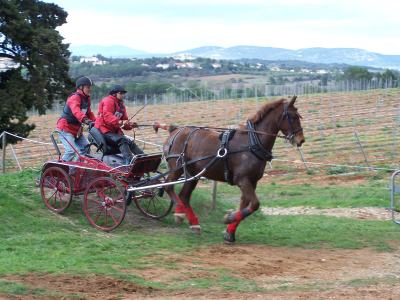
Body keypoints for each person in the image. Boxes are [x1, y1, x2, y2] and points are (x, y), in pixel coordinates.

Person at [94, 84, 144, 164]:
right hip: (104, 130)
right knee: (123, 140)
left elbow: (124, 121)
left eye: (123, 93)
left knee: (130, 143)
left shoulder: (121, 105)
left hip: (114, 131)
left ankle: (143, 159)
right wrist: (120, 122)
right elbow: (107, 116)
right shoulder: (108, 101)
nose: (123, 95)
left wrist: (130, 125)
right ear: (114, 93)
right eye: (121, 93)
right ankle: (129, 163)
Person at [56, 76, 96, 161]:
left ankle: (75, 171)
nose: (90, 89)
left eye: (90, 87)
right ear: (81, 87)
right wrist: (86, 120)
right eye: (88, 87)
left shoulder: (86, 99)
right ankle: (59, 171)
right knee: (71, 151)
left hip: (76, 130)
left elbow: (89, 113)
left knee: (86, 147)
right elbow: (76, 111)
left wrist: (97, 123)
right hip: (66, 128)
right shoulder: (74, 97)